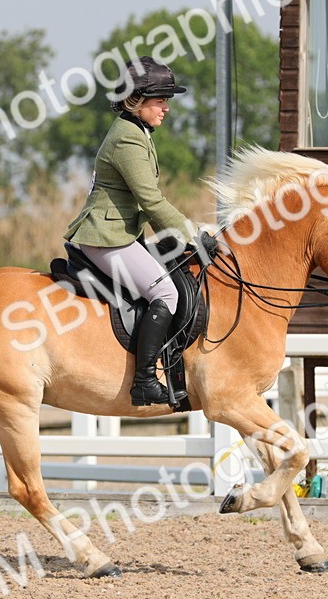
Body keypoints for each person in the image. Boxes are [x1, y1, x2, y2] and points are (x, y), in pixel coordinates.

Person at [64, 56, 216, 406]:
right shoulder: (128, 139)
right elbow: (151, 200)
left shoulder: (136, 132)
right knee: (166, 294)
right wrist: (193, 234)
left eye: (166, 101)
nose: (166, 108)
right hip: (106, 238)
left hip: (120, 233)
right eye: (160, 100)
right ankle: (145, 380)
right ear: (138, 100)